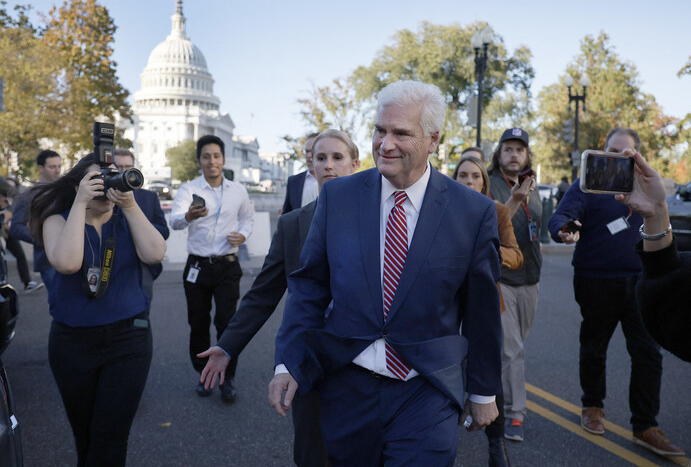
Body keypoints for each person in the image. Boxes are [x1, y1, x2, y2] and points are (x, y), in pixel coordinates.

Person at [268, 80, 502, 466]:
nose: (385, 144)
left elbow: (482, 311)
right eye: (380, 130)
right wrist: (288, 361)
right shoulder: (338, 197)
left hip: (425, 390)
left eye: (401, 133)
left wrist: (483, 391)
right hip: (347, 386)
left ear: (432, 140)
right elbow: (309, 287)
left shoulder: (472, 212)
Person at [199, 128, 360, 467]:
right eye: (320, 158)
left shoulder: (381, 220)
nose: (328, 165)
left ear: (354, 165)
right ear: (310, 166)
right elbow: (263, 294)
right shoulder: (291, 225)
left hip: (366, 363)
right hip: (310, 360)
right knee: (312, 454)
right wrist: (228, 345)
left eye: (337, 158)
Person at [547, 127, 683, 456]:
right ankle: (592, 407)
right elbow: (560, 217)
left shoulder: (647, 186)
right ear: (602, 151)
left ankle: (645, 425)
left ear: (636, 157)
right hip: (596, 281)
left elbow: (663, 228)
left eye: (625, 153)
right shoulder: (588, 183)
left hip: (641, 282)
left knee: (648, 353)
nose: (617, 158)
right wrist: (565, 230)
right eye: (611, 150)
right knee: (594, 347)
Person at [27, 154, 166, 466]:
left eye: (113, 178)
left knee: (111, 438)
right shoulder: (57, 220)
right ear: (79, 187)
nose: (107, 187)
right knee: (86, 436)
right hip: (73, 343)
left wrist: (129, 205)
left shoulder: (127, 218)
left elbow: (156, 253)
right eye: (98, 182)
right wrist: (79, 205)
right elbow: (67, 262)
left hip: (129, 340)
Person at [169, 134, 254, 403]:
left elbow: (247, 220)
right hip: (197, 266)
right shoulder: (188, 190)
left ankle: (227, 378)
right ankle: (203, 374)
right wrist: (188, 215)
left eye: (216, 156)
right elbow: (175, 222)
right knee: (198, 323)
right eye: (206, 156)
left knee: (228, 324)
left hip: (227, 266)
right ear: (199, 161)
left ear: (223, 159)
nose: (212, 161)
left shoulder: (238, 190)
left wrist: (242, 235)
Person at [453, 156, 522, 467]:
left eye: (475, 177)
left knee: (487, 372)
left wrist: (489, 253)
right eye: (462, 176)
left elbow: (516, 256)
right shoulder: (441, 210)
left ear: (484, 182)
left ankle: (497, 446)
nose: (469, 182)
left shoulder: (497, 212)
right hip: (445, 302)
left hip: (483, 302)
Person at [615, 149, 691, 363]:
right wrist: (656, 212)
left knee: (646, 357)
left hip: (634, 277)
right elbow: (684, 329)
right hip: (601, 280)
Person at [487, 127, 542, 442]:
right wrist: (513, 199)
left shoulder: (531, 185)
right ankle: (515, 415)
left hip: (530, 278)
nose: (513, 155)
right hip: (502, 277)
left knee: (511, 348)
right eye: (508, 149)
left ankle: (482, 390)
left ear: (526, 155)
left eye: (519, 150)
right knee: (513, 350)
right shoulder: (491, 184)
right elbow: (489, 227)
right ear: (499, 153)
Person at [112, 149, 169, 300]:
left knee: (141, 315)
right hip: (110, 264)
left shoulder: (149, 197)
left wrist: (141, 227)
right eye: (118, 167)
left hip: (143, 265)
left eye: (128, 167)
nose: (123, 171)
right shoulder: (102, 198)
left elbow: (164, 231)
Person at [10, 149, 62, 290]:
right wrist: (42, 239)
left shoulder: (67, 191)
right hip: (47, 260)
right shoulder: (29, 196)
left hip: (71, 257)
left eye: (59, 166)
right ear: (40, 168)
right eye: (52, 167)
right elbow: (16, 227)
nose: (57, 171)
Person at [1, 178, 43, 293]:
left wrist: (8, 212)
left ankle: (25, 283)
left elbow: (15, 195)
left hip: (5, 232)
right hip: (5, 231)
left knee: (18, 255)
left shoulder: (11, 201)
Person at [282, 133, 320, 214]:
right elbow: (286, 215)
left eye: (313, 151)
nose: (309, 155)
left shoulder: (334, 180)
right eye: (307, 151)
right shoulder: (293, 181)